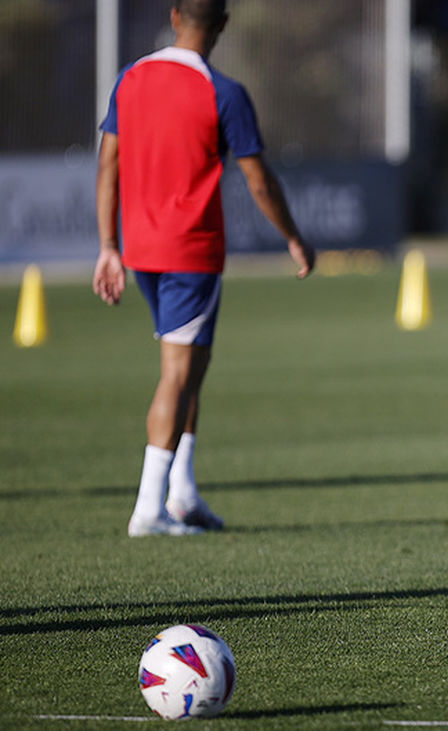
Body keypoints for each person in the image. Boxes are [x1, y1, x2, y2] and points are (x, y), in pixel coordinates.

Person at [94, 0, 315, 536]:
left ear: (174, 17)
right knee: (177, 374)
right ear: (222, 25)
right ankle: (149, 508)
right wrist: (292, 236)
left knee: (193, 365)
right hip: (190, 252)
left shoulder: (131, 77)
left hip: (140, 250)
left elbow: (108, 163)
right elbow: (258, 180)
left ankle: (183, 492)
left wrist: (107, 246)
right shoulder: (223, 91)